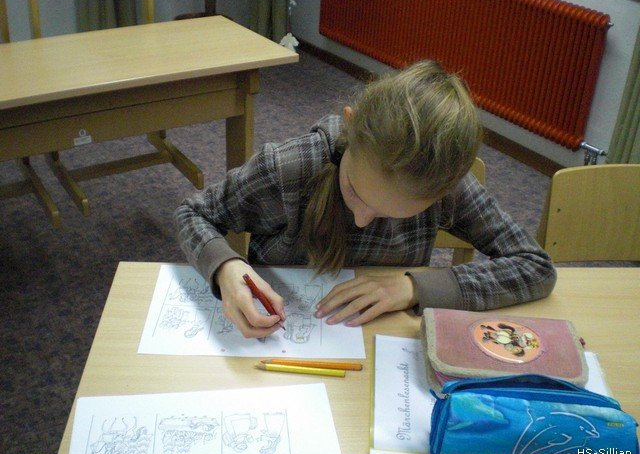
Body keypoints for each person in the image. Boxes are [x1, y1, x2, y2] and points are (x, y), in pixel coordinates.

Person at [174, 60, 557, 338]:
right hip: (274, 337)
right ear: (351, 125)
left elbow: (535, 266)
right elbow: (193, 213)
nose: (360, 219)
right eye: (355, 191)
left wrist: (413, 287)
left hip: (383, 341)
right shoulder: (289, 168)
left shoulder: (448, 186)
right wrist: (226, 269)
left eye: (391, 215)